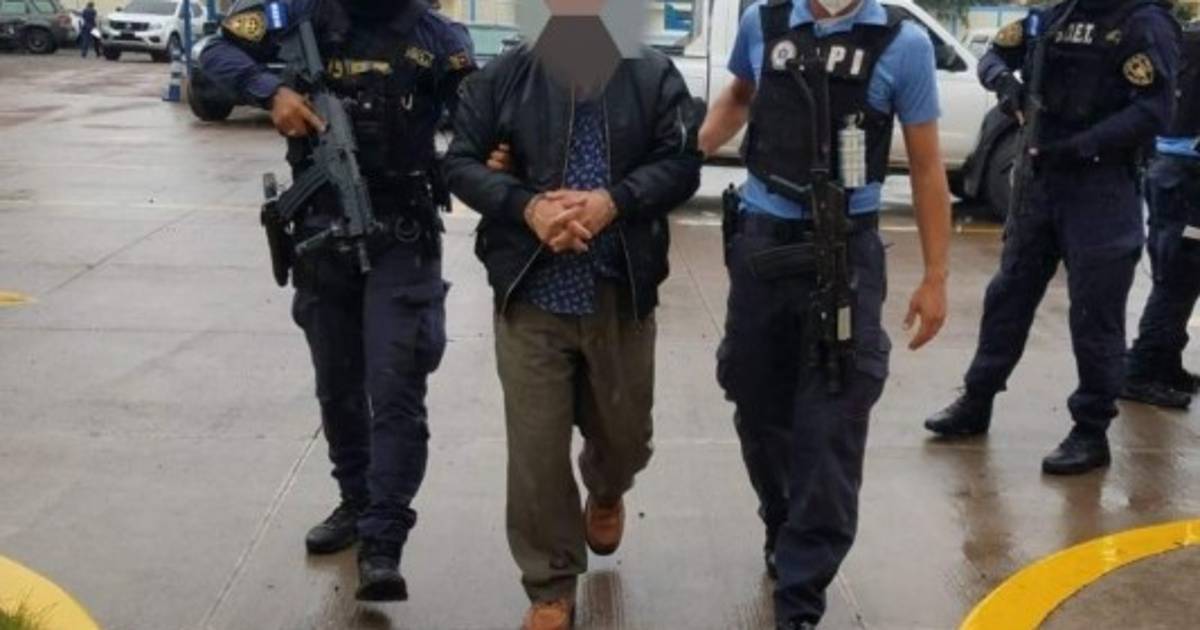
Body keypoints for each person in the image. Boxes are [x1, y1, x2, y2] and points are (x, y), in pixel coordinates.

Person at [199, 0, 474, 601]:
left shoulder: (440, 38)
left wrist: (494, 152)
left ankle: (383, 540)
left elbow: (475, 122)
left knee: (396, 385)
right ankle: (355, 500)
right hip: (322, 230)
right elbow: (214, 52)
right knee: (338, 382)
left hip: (402, 233)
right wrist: (271, 92)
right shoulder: (295, 13)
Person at [698, 0, 951, 625]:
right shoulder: (764, 22)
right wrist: (677, 161)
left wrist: (936, 278)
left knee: (832, 424)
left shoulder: (904, 43)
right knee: (756, 403)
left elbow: (926, 165)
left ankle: (800, 598)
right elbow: (738, 98)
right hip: (763, 245)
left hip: (846, 253)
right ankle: (782, 519)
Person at [444, 36, 703, 630]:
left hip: (620, 288)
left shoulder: (651, 75)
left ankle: (607, 488)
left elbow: (683, 164)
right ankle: (550, 583)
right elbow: (458, 162)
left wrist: (615, 201)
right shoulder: (505, 76)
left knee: (627, 438)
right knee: (536, 452)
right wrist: (526, 206)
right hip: (532, 290)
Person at [925, 0, 1179, 474]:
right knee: (1008, 298)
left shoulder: (1143, 23)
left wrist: (1086, 144)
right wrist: (1007, 86)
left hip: (1102, 187)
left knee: (1095, 315)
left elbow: (1155, 110)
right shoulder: (1055, 16)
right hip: (1042, 184)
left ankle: (1091, 430)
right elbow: (993, 56)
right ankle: (977, 399)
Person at [1121, 20, 1200, 409]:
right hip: (1187, 176)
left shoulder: (1182, 35)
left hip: (1167, 170)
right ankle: (1140, 372)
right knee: (1178, 278)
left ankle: (1165, 362)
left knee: (1180, 273)